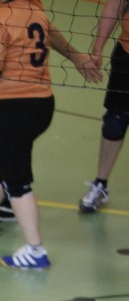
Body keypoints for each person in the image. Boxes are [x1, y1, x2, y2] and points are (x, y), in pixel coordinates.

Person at [0, 0, 100, 269]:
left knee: (17, 184)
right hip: (41, 106)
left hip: (11, 110)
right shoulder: (33, 10)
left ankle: (35, 250)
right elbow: (44, 37)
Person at [78, 0, 129, 212]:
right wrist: (97, 48)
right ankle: (101, 184)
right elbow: (115, 5)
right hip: (127, 55)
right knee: (114, 122)